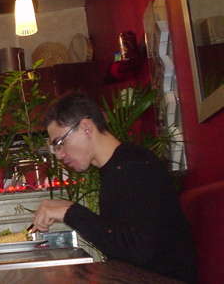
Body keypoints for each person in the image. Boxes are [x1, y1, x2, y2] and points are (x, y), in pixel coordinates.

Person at [32, 92, 196, 283]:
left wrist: (71, 212)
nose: (59, 155)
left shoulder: (133, 165)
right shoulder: (117, 165)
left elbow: (137, 249)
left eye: (60, 143)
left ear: (86, 127)